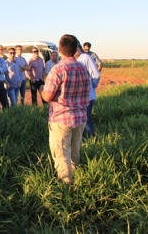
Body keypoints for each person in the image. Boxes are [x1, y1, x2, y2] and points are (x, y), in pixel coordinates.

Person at [40, 34, 90, 185]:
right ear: (76, 49)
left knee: (61, 154)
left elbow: (47, 96)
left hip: (61, 119)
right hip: (80, 117)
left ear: (60, 49)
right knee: (75, 152)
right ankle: (78, 177)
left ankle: (67, 187)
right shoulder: (83, 68)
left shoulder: (58, 69)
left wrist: (42, 88)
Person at [76, 43, 100, 137]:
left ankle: (91, 137)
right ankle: (84, 137)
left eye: (75, 49)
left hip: (88, 95)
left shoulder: (86, 58)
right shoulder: (77, 59)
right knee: (81, 118)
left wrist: (92, 86)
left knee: (87, 118)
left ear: (79, 48)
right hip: (80, 96)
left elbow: (96, 74)